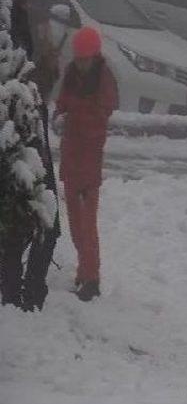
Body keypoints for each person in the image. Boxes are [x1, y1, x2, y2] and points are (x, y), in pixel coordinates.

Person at [0, 0, 62, 311]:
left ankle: (29, 294)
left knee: (46, 222)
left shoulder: (30, 20)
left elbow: (43, 78)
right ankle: (16, 295)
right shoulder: (11, 25)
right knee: (20, 224)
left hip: (33, 128)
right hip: (18, 134)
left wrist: (48, 66)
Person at [54, 27, 118, 302]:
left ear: (95, 56)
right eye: (78, 59)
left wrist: (70, 116)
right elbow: (63, 102)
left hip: (88, 166)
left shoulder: (103, 80)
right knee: (76, 226)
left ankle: (92, 278)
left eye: (85, 59)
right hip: (71, 161)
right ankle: (83, 272)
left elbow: (99, 118)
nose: (80, 64)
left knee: (87, 225)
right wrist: (59, 114)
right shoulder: (71, 74)